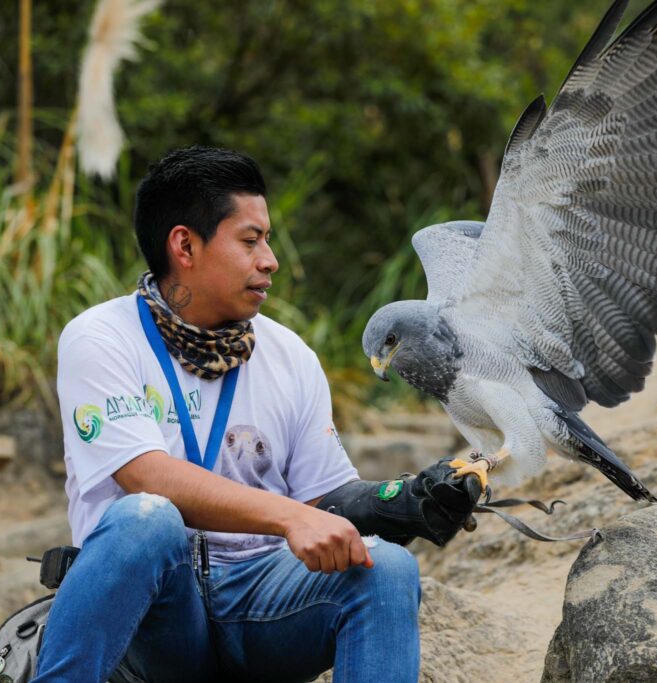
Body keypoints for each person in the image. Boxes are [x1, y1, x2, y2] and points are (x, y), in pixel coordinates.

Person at [33, 147, 480, 682]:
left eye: (266, 240)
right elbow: (145, 476)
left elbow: (324, 500)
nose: (269, 259)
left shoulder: (290, 355)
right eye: (250, 241)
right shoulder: (101, 337)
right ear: (184, 245)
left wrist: (401, 501)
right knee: (144, 520)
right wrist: (289, 516)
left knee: (385, 567)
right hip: (153, 623)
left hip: (260, 606)